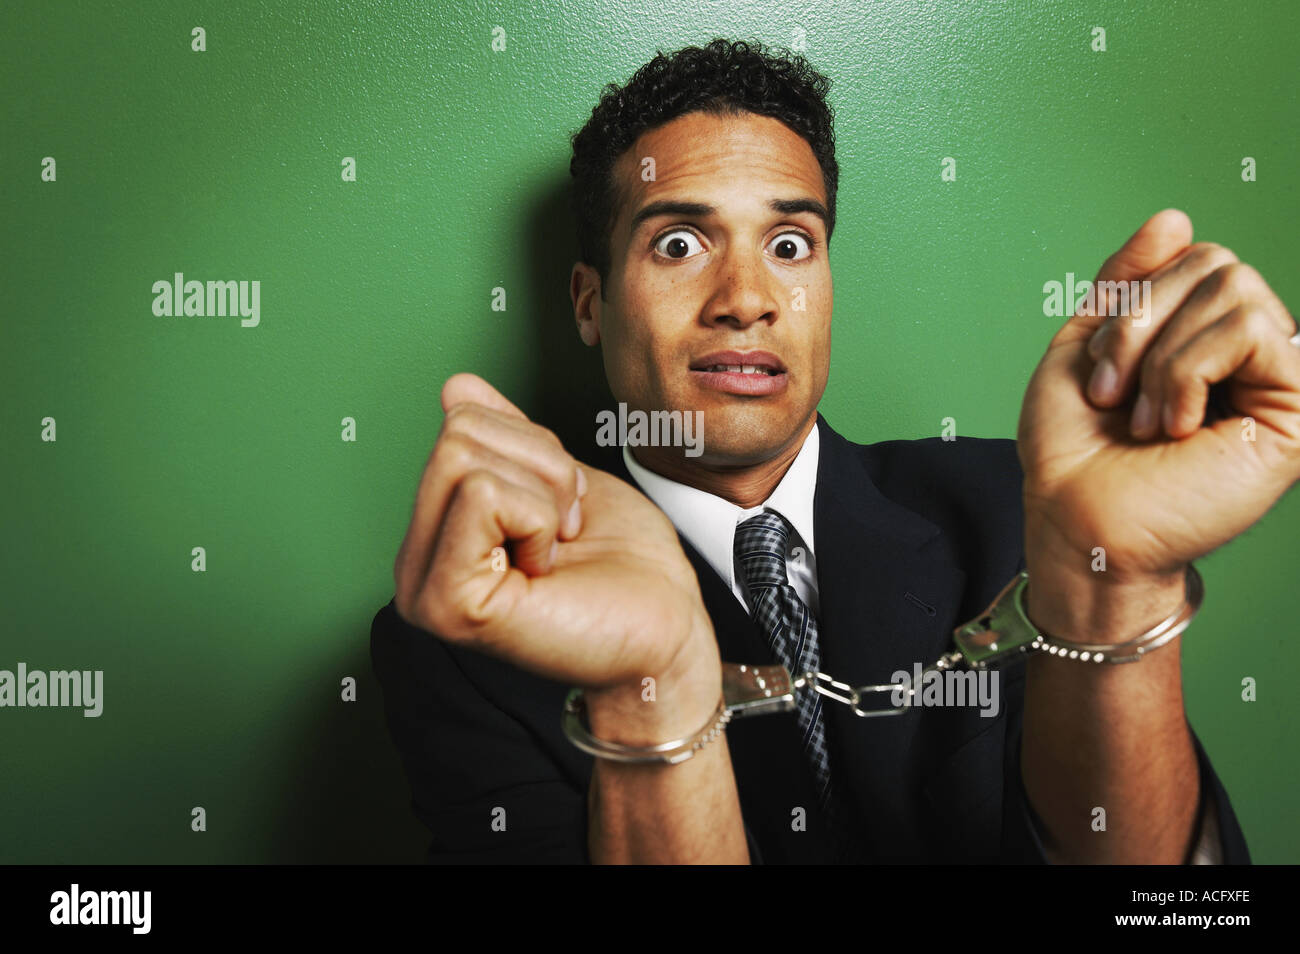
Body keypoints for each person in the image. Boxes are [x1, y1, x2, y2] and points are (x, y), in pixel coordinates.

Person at [371, 39, 1300, 864]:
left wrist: (1114, 587)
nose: (746, 298)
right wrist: (651, 691)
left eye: (788, 242)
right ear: (588, 300)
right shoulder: (467, 638)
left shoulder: (1023, 512)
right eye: (681, 243)